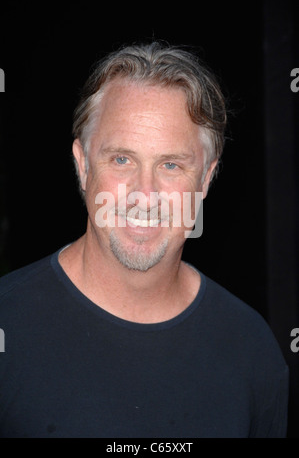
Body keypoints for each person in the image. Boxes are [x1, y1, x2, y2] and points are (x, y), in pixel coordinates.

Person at [0, 41, 288, 438]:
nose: (144, 194)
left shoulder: (251, 349)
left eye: (171, 165)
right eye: (122, 159)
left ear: (205, 179)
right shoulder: (7, 325)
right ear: (82, 166)